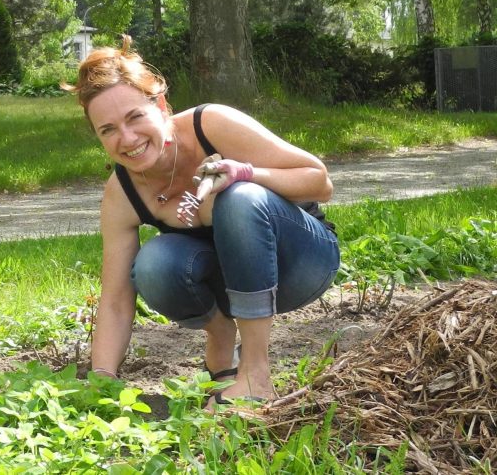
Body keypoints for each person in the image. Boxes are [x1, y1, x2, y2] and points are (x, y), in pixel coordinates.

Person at [66, 36, 339, 407]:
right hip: (232, 284)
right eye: (108, 130)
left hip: (301, 263)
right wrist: (101, 380)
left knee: (239, 198)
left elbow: (320, 181)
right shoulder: (121, 192)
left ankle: (255, 373)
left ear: (160, 106)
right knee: (154, 263)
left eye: (135, 117)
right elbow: (115, 299)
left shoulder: (210, 123)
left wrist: (244, 173)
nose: (127, 139)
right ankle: (221, 339)